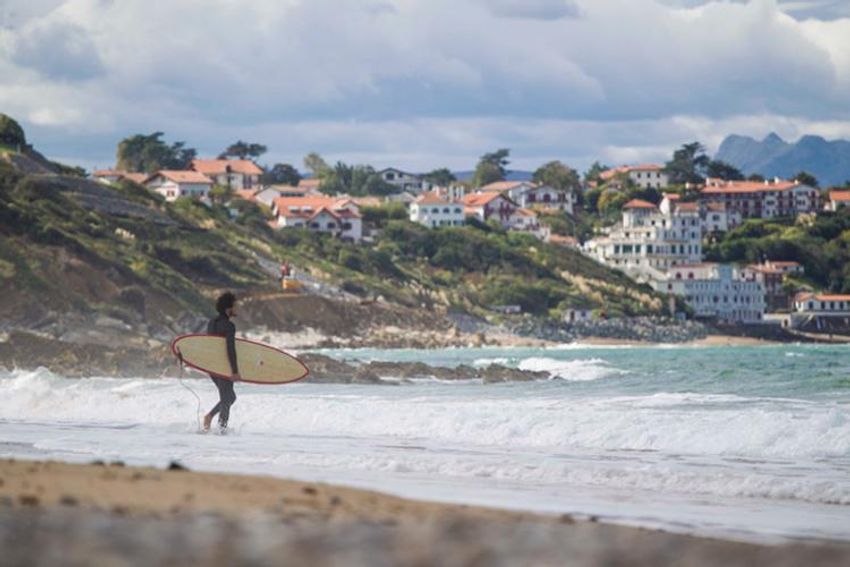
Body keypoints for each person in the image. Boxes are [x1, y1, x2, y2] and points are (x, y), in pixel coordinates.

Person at [203, 292, 241, 432]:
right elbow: (230, 349)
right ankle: (221, 431)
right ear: (228, 308)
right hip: (224, 366)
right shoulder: (229, 326)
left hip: (212, 366)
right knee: (226, 399)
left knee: (230, 397)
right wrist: (235, 371)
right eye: (235, 306)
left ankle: (210, 417)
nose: (237, 309)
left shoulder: (211, 322)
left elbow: (210, 346)